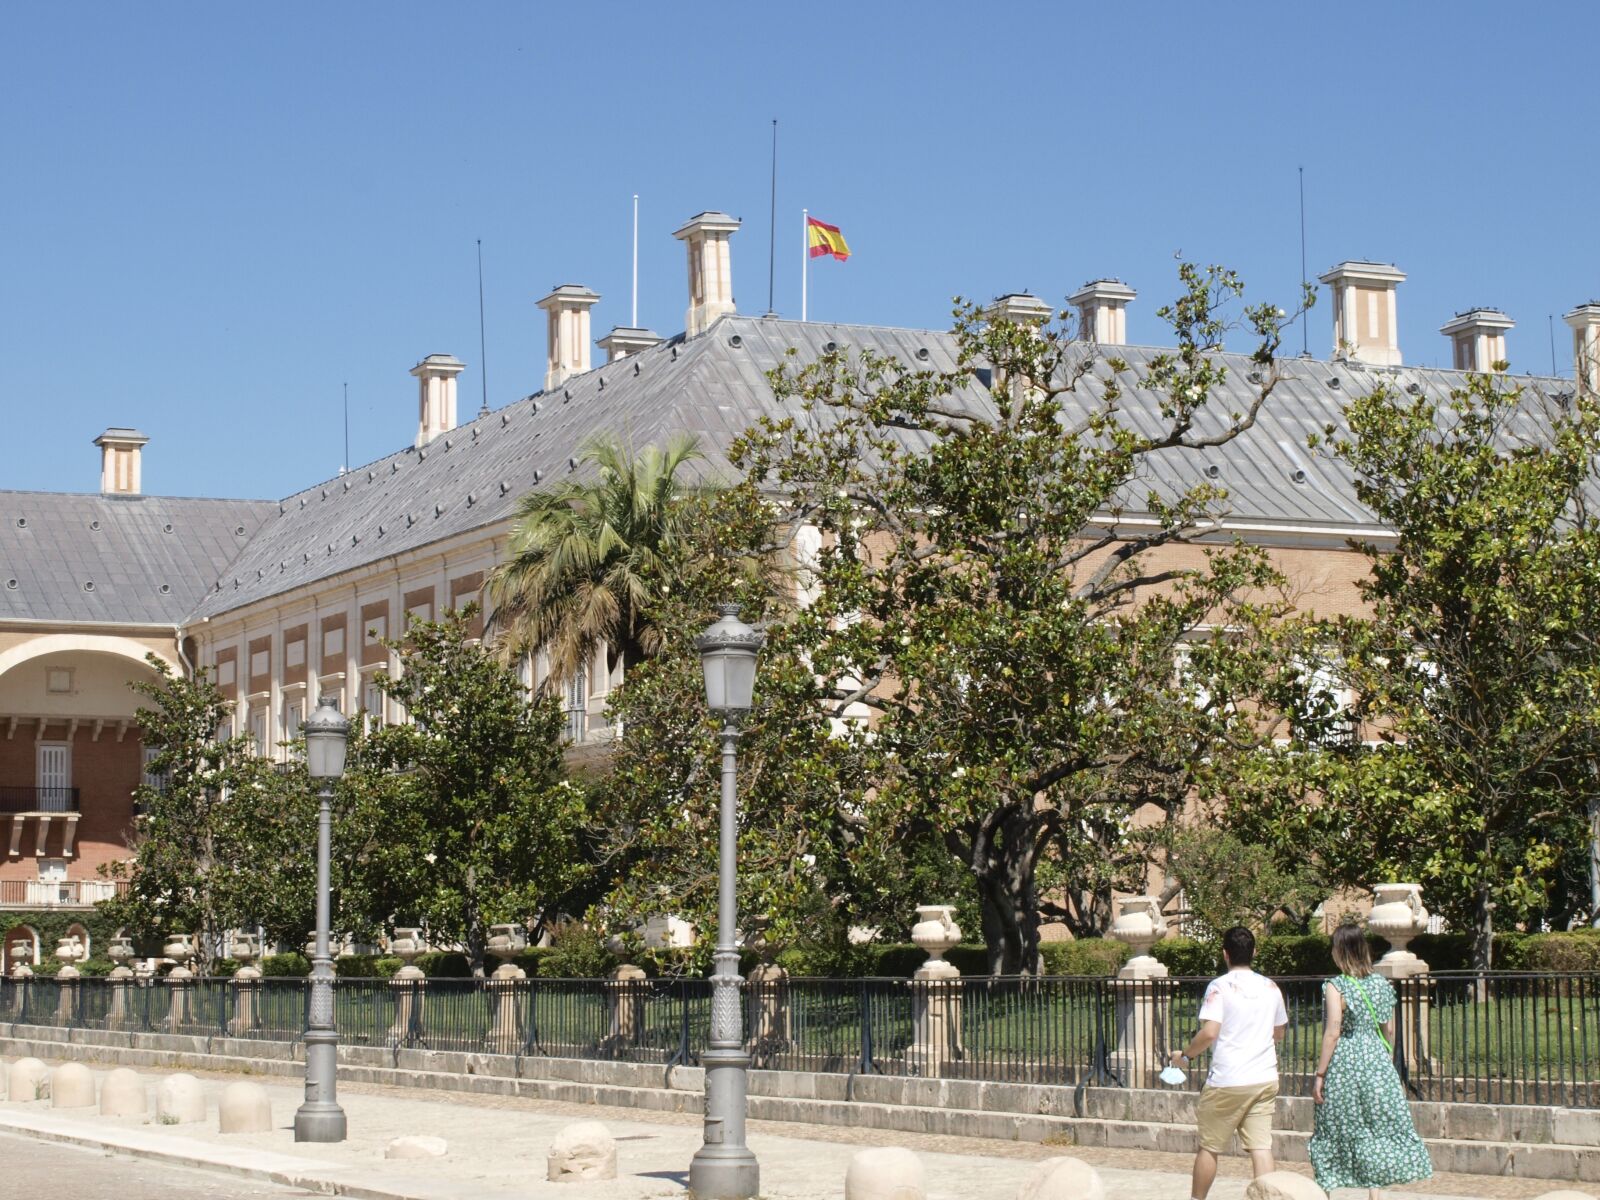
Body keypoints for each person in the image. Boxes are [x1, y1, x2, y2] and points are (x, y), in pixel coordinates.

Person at [1308, 923, 1433, 1197]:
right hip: (1377, 1061)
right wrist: (1384, 1062)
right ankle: (1374, 1193)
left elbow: (1333, 1031)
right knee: (1374, 1126)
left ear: (1339, 951)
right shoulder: (1380, 984)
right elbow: (1389, 1029)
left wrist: (1320, 1075)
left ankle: (1330, 1189)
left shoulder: (1336, 985)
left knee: (1337, 1124)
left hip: (1346, 1064)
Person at [1169, 925, 1288, 1200]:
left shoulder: (1219, 986)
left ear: (1225, 954)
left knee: (1209, 1147)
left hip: (1228, 1078)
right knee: (1261, 1147)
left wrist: (1185, 1056)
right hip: (1263, 1076)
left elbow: (1210, 1032)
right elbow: (1279, 1032)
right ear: (1254, 952)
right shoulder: (1271, 987)